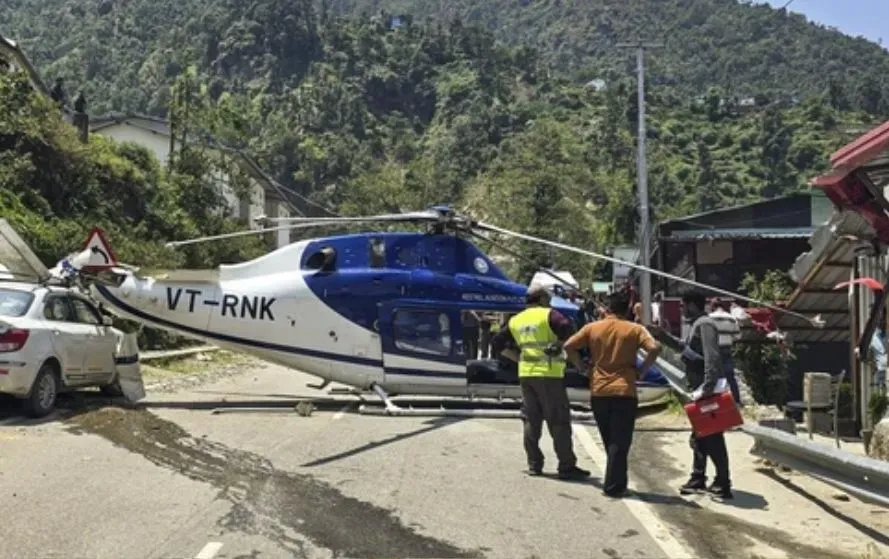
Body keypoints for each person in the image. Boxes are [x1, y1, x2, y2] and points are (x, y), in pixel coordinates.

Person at [563, 290, 662, 497]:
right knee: (621, 440)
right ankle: (614, 486)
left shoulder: (592, 328)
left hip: (599, 390)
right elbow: (654, 348)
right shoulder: (635, 329)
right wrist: (642, 370)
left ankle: (617, 481)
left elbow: (569, 346)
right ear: (627, 309)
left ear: (607, 308)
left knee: (610, 439)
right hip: (625, 389)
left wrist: (582, 367)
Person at [491, 287, 591, 480]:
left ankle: (534, 464)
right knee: (559, 420)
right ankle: (566, 466)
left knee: (531, 419)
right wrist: (561, 347)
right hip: (549, 375)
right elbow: (570, 333)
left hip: (526, 374)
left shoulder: (516, 320)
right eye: (548, 298)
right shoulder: (550, 315)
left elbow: (497, 343)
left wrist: (518, 358)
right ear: (542, 299)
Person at [653, 289, 733, 499]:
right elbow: (685, 348)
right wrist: (662, 336)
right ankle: (698, 478)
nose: (681, 309)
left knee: (712, 437)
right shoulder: (697, 325)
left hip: (706, 391)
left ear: (692, 305)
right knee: (700, 437)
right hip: (699, 389)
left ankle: (723, 482)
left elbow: (711, 357)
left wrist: (707, 388)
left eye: (683, 305)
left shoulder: (705, 324)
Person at [708, 298, 743, 405]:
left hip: (714, 349)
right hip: (727, 348)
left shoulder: (709, 318)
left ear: (712, 306)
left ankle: (718, 402)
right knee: (730, 376)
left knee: (715, 376)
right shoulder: (731, 318)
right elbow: (738, 336)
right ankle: (737, 400)